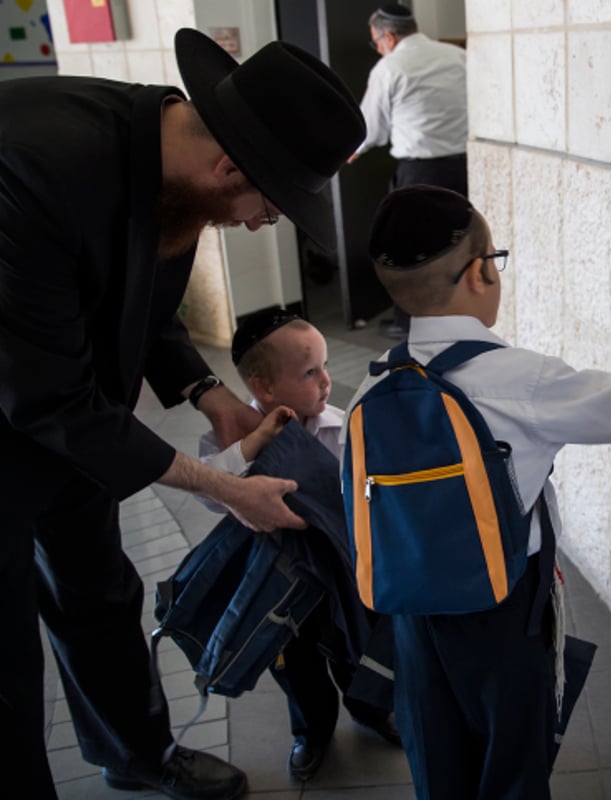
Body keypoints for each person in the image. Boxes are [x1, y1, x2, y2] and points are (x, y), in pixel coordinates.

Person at [0, 28, 365, 800]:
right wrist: (225, 487)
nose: (268, 224)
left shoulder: (164, 161)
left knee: (97, 590)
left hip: (71, 412)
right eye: (272, 205)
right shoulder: (29, 173)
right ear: (230, 166)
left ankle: (134, 754)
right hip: (24, 404)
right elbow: (46, 396)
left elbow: (136, 302)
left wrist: (209, 392)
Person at [351, 185, 611, 800]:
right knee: (512, 767)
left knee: (438, 764)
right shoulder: (520, 380)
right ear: (482, 272)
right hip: (501, 614)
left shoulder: (372, 385)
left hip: (411, 615)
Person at [196, 307, 400, 781]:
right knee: (295, 664)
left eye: (325, 367)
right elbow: (210, 495)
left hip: (338, 571)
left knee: (356, 646)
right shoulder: (227, 440)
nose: (326, 381)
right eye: (310, 373)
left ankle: (370, 708)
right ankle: (312, 731)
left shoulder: (339, 425)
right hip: (281, 587)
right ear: (264, 389)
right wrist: (254, 445)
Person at [349, 3, 469, 339]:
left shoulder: (390, 67)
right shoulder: (456, 56)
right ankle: (460, 319)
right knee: (459, 245)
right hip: (465, 169)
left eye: (375, 41)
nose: (377, 48)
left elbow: (369, 129)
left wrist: (351, 150)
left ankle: (408, 324)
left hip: (421, 174)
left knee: (409, 248)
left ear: (387, 36)